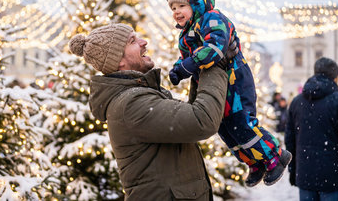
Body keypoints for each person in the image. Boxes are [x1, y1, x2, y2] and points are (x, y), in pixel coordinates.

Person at [68, 23, 238, 200]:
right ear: (118, 61)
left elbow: (191, 116)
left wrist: (202, 66)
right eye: (132, 41)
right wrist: (216, 65)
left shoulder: (139, 94)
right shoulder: (131, 104)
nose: (143, 42)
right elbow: (201, 120)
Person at [165, 0, 291, 187]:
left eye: (182, 6)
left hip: (235, 80)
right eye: (173, 8)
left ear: (198, 2)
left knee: (241, 123)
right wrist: (178, 69)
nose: (177, 12)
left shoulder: (212, 18)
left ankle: (275, 155)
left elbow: (215, 48)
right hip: (215, 86)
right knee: (224, 129)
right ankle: (254, 162)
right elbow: (185, 58)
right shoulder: (185, 34)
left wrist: (189, 65)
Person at [285, 57, 338, 201]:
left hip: (305, 176)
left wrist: (293, 170)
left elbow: (290, 141)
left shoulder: (297, 102)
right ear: (335, 78)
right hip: (334, 178)